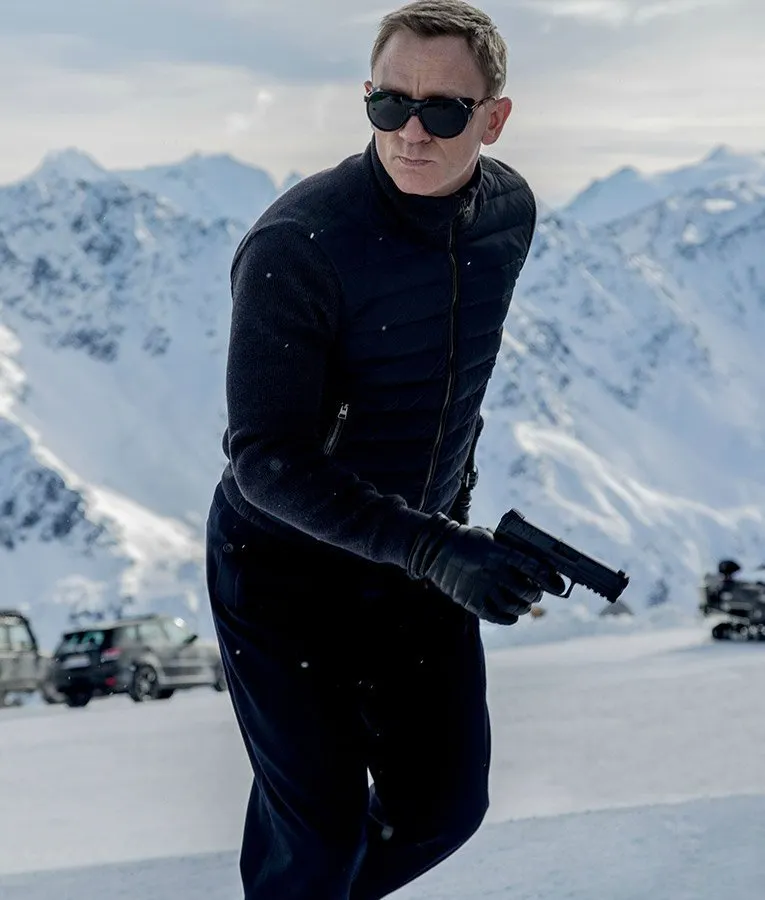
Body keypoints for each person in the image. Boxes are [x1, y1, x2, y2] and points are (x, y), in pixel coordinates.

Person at [205, 2, 557, 897]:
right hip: (283, 570)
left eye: (442, 110)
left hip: (417, 557)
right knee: (317, 839)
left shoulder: (506, 214)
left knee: (442, 808)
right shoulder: (299, 244)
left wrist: (456, 531)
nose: (410, 131)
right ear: (365, 97)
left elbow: (451, 385)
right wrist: (437, 547)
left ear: (492, 118)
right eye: (389, 103)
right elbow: (265, 459)